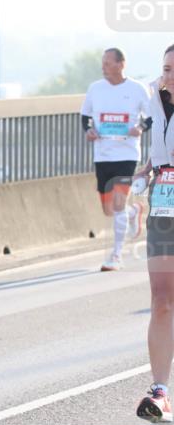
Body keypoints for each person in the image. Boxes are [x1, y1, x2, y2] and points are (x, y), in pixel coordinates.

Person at [80, 48, 151, 271]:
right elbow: (86, 116)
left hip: (127, 154)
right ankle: (134, 212)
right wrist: (89, 131)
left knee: (118, 204)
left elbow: (151, 118)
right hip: (102, 154)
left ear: (121, 64)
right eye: (103, 63)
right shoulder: (95, 89)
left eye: (108, 63)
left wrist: (139, 127)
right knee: (109, 208)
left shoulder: (137, 89)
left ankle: (116, 255)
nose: (103, 67)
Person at [133, 44, 174, 423]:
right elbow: (161, 146)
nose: (168, 76)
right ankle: (160, 391)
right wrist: (148, 169)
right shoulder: (157, 101)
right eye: (166, 68)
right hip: (163, 205)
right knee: (162, 299)